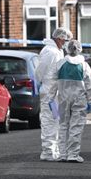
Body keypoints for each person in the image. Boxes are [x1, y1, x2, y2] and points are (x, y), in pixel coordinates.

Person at [51, 40, 91, 163]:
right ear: (79, 49)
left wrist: (50, 99)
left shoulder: (60, 63)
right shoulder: (84, 66)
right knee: (76, 126)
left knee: (63, 125)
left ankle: (63, 154)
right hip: (79, 99)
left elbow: (53, 83)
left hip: (63, 98)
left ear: (67, 49)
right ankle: (73, 155)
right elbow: (89, 85)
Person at [35, 27, 72, 161]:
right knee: (49, 121)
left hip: (54, 92)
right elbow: (40, 71)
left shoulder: (56, 51)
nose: (66, 43)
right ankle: (48, 152)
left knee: (55, 120)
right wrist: (44, 84)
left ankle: (53, 149)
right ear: (59, 38)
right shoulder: (51, 52)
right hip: (49, 92)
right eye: (65, 40)